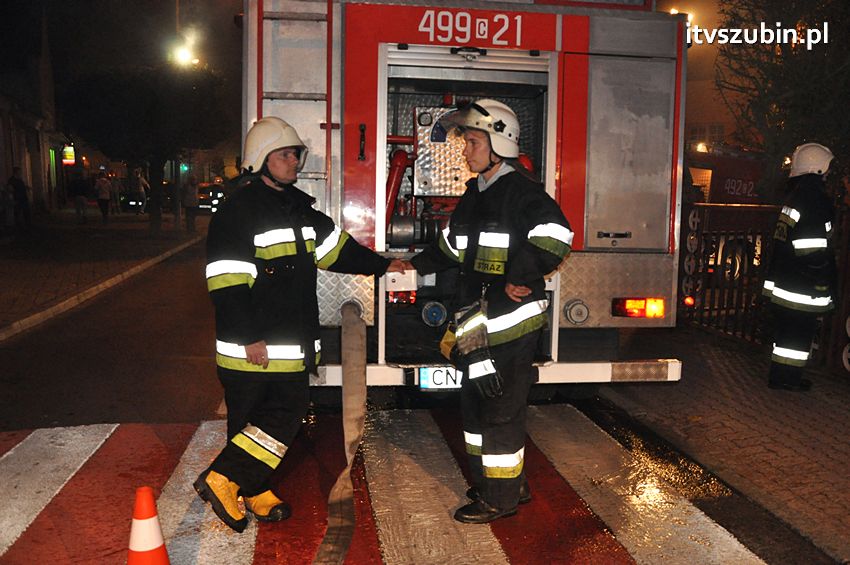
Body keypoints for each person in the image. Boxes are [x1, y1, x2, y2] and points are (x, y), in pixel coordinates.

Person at [194, 116, 407, 532]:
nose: (295, 161)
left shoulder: (299, 209)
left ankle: (251, 487)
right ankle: (226, 478)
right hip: (252, 348)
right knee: (263, 416)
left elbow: (338, 251)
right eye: (286, 154)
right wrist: (248, 338)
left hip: (288, 344)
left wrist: (383, 266)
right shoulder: (238, 212)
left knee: (268, 420)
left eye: (296, 153)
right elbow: (226, 283)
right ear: (261, 160)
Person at [409, 99, 572, 524]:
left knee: (499, 412)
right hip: (478, 327)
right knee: (478, 406)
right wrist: (412, 266)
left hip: (509, 327)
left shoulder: (522, 191)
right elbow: (452, 246)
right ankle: (499, 481)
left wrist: (521, 273)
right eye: (466, 142)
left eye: (473, 142)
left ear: (499, 143)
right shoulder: (477, 193)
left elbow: (556, 235)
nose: (466, 150)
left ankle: (499, 500)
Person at [762, 142, 837, 391]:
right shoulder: (814, 201)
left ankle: (779, 376)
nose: (829, 174)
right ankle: (788, 381)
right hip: (802, 286)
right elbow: (811, 249)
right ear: (817, 170)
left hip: (785, 282)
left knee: (785, 337)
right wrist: (821, 279)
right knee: (797, 338)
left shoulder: (795, 196)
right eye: (826, 169)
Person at [7, 167, 31, 231]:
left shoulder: (20, 180)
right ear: (16, 172)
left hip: (23, 199)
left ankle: (28, 226)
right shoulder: (11, 181)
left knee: (26, 212)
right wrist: (13, 200)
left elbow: (22, 187)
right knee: (17, 214)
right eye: (19, 172)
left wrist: (26, 188)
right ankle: (18, 228)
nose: (20, 173)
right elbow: (10, 191)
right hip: (17, 200)